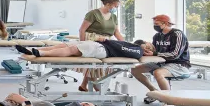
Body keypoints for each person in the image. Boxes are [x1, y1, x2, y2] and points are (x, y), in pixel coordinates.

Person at [131, 15, 190, 106]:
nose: (155, 26)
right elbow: (155, 52)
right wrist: (145, 51)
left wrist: (154, 54)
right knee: (135, 70)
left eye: (157, 24)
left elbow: (175, 54)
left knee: (158, 73)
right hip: (162, 63)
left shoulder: (177, 34)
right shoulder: (157, 36)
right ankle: (156, 92)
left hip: (179, 64)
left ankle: (169, 102)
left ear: (165, 23)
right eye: (154, 24)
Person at [76, 0, 124, 91]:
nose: (116, 9)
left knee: (97, 64)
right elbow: (82, 30)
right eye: (115, 6)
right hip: (93, 40)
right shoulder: (93, 14)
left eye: (117, 7)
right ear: (107, 4)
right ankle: (96, 86)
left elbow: (116, 32)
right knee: (93, 64)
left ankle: (83, 85)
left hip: (106, 42)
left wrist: (124, 44)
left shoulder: (113, 17)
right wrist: (82, 43)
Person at [15, 38, 145, 60]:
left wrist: (107, 40)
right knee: (64, 45)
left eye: (150, 48)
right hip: (99, 45)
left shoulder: (138, 51)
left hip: (103, 50)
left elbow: (122, 48)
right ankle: (31, 49)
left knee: (72, 50)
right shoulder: (133, 45)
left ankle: (41, 53)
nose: (148, 48)